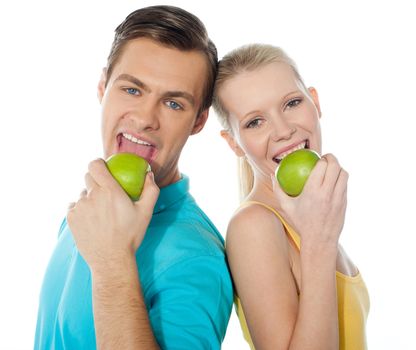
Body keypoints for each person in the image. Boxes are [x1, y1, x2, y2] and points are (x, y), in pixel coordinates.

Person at [34, 6, 233, 349]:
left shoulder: (196, 259)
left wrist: (113, 266)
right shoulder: (90, 211)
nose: (144, 119)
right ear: (102, 86)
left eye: (173, 104)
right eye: (132, 90)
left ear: (198, 121)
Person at [212, 44, 370, 349]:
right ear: (233, 143)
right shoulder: (254, 226)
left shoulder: (313, 213)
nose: (283, 130)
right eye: (255, 122)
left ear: (315, 101)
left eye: (292, 103)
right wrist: (318, 241)